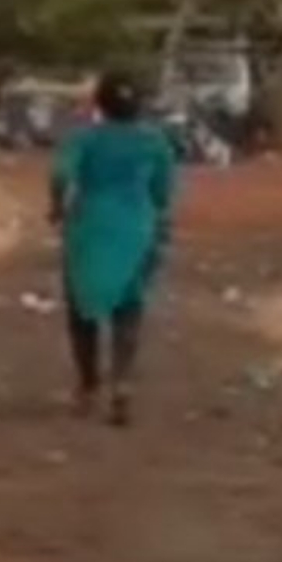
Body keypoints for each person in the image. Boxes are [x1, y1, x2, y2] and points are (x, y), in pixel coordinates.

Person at [49, 73, 180, 426]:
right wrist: (159, 221)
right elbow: (164, 192)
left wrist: (57, 208)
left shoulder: (84, 139)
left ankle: (88, 386)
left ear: (99, 104)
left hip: (90, 228)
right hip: (136, 229)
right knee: (129, 309)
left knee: (82, 311)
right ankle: (121, 385)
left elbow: (61, 175)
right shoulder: (155, 142)